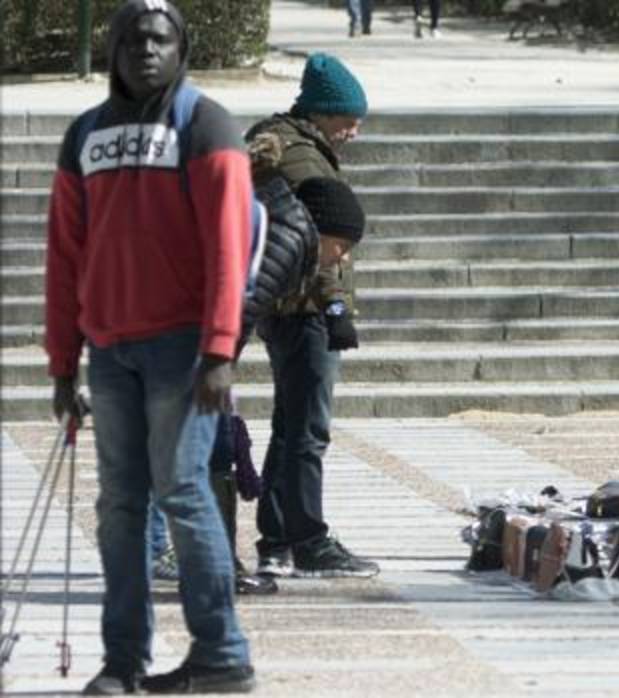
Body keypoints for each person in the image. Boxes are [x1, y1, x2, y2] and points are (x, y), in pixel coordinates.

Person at [43, 0, 254, 693]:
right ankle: (124, 661)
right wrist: (60, 361)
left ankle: (222, 655)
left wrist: (221, 349)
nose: (146, 50)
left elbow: (229, 244)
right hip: (109, 350)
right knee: (119, 508)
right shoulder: (86, 132)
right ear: (113, 50)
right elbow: (65, 255)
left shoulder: (206, 125)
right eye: (132, 39)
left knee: (184, 494)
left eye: (161, 39)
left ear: (181, 48)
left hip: (184, 350)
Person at [244, 56, 379, 579]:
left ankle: (278, 537)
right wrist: (338, 308)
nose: (353, 130)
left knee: (291, 424)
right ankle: (307, 539)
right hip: (306, 308)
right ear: (319, 112)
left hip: (291, 307)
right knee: (307, 429)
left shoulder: (293, 145)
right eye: (346, 118)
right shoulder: (299, 157)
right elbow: (315, 242)